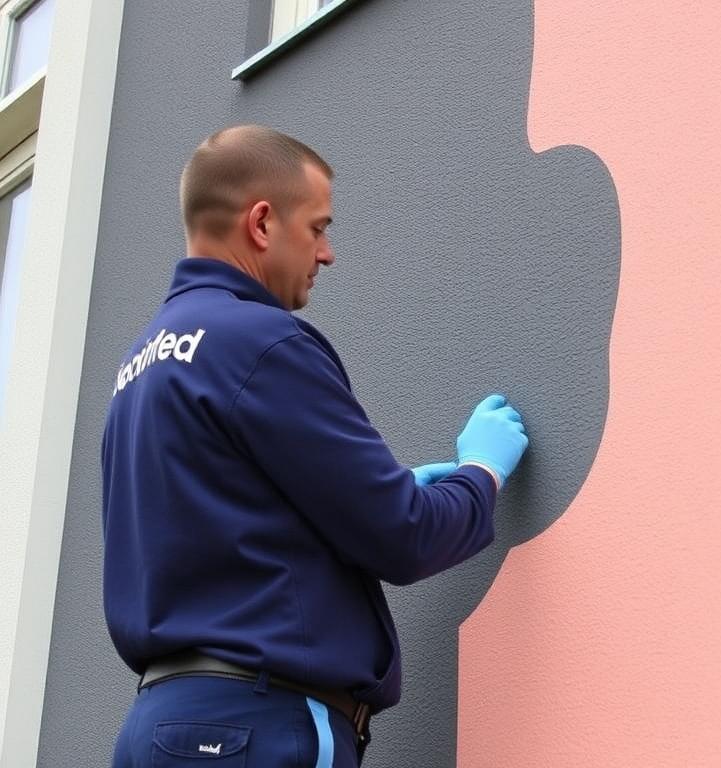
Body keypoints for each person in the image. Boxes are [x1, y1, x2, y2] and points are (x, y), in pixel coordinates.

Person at [102, 124, 529, 767]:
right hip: (256, 728)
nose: (327, 254)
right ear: (262, 223)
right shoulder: (262, 342)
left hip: (158, 730)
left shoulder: (140, 365)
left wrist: (385, 492)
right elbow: (405, 536)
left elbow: (229, 523)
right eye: (318, 227)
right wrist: (481, 473)